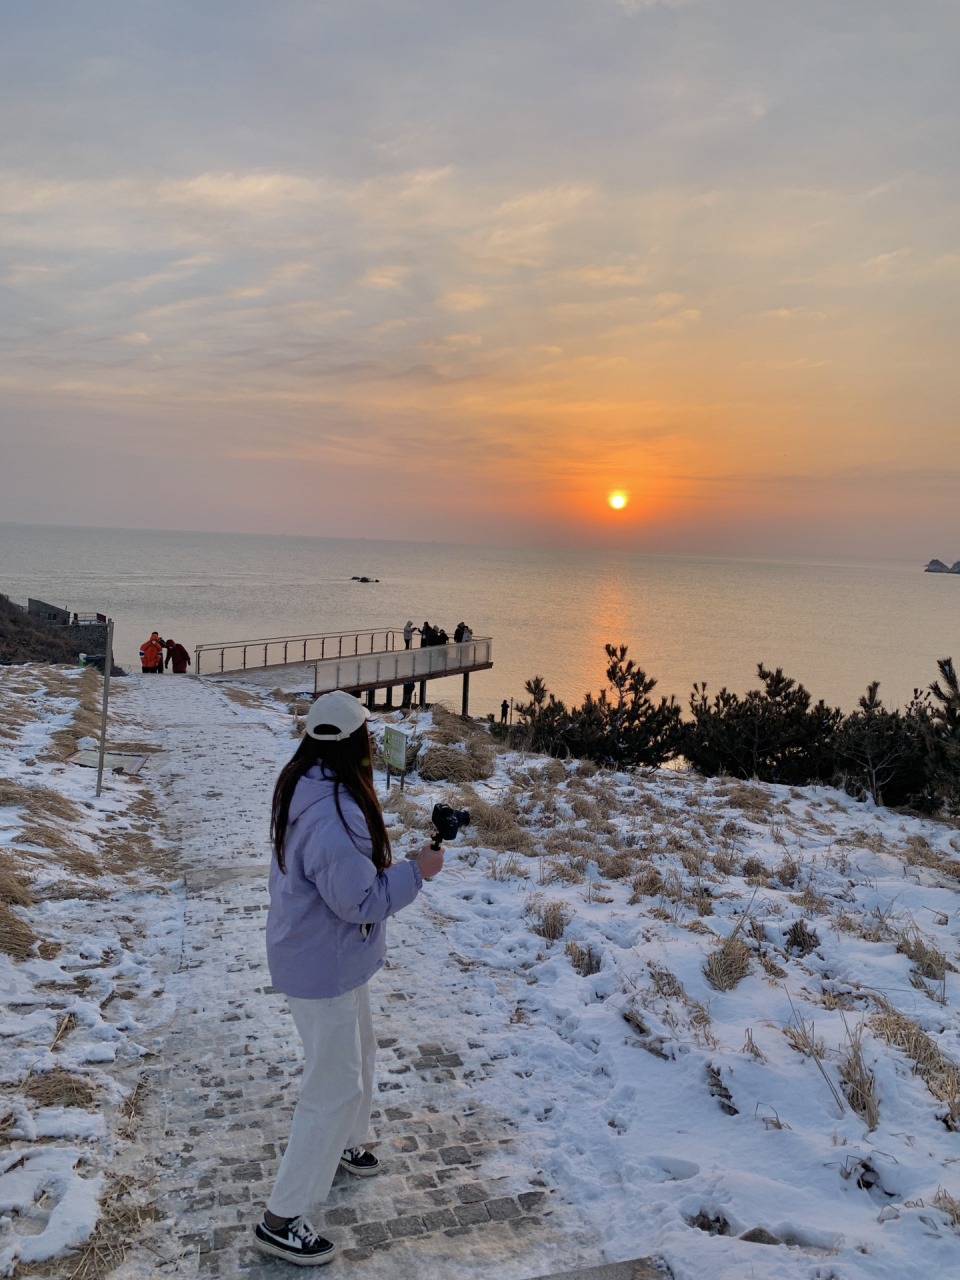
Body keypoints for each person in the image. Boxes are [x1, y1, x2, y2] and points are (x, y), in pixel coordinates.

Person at [255, 689, 445, 1266]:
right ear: (356, 743)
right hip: (323, 968)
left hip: (325, 955)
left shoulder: (307, 780)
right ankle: (282, 1217)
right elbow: (359, 900)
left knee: (359, 1054)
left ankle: (348, 1143)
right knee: (332, 1086)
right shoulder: (335, 817)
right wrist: (419, 871)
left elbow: (346, 881)